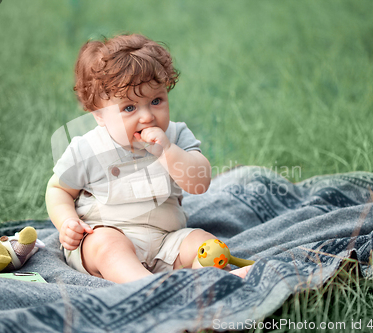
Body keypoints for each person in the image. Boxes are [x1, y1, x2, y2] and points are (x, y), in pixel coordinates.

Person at [46, 34, 249, 283]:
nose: (147, 117)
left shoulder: (175, 136)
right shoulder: (88, 149)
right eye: (129, 108)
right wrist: (67, 221)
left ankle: (209, 282)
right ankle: (149, 288)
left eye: (156, 101)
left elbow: (199, 183)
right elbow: (58, 190)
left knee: (204, 242)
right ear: (99, 115)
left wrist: (167, 152)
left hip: (166, 241)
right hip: (105, 234)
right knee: (109, 246)